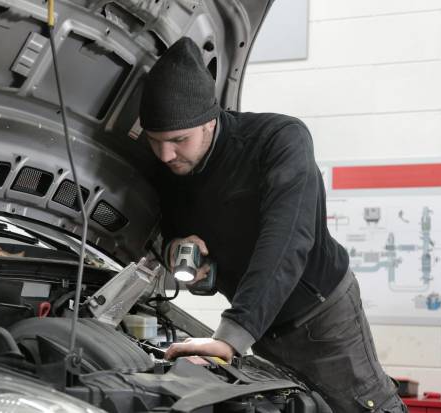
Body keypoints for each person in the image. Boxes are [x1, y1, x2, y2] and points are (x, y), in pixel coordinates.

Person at [139, 37, 406, 412]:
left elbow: (287, 240)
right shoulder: (168, 167)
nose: (166, 154)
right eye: (155, 141)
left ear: (210, 121)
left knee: (364, 407)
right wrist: (174, 249)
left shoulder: (278, 141)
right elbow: (166, 225)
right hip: (260, 327)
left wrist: (231, 337)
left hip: (321, 318)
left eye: (178, 140)